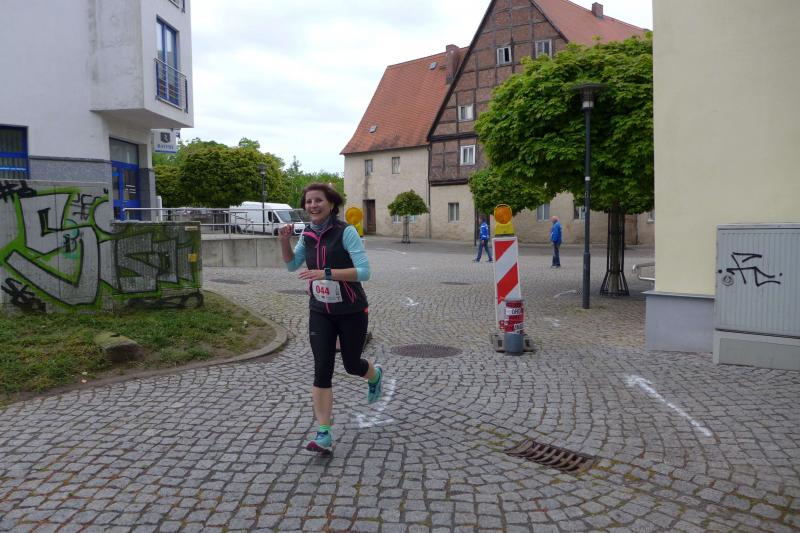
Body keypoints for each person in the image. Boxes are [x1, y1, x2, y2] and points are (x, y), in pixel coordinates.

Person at [279, 183, 382, 455]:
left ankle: (374, 375)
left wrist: (325, 273)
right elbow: (291, 265)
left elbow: (364, 272)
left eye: (318, 200)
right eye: (308, 201)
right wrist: (283, 241)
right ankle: (324, 432)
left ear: (331, 203)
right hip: (320, 310)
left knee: (351, 364)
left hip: (351, 310)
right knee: (322, 367)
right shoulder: (307, 235)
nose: (312, 205)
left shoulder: (346, 232)